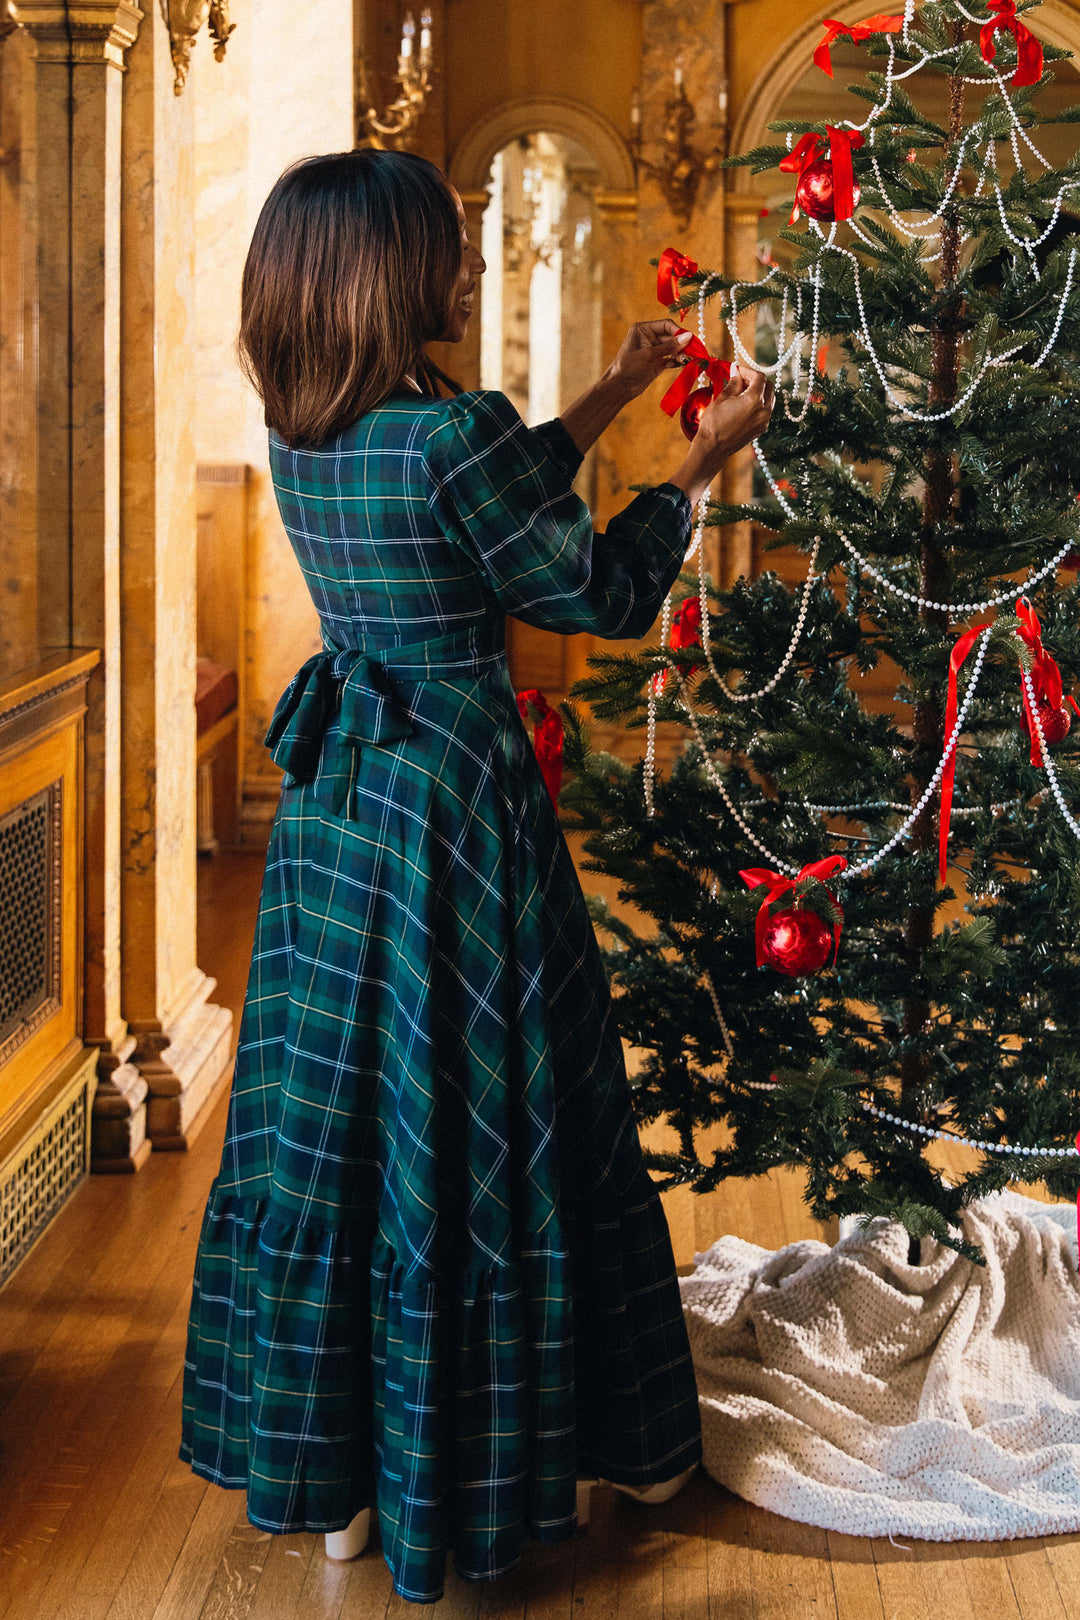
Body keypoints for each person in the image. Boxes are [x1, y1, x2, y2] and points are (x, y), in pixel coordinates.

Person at [179, 147, 774, 1606]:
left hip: (339, 804)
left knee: (349, 1109)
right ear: (394, 271)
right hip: (454, 800)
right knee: (506, 1092)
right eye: (447, 247)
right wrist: (700, 464)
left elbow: (480, 504)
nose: (464, 266)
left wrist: (612, 394)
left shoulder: (303, 422)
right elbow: (599, 593)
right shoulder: (455, 437)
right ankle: (607, 1445)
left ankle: (337, 1501)